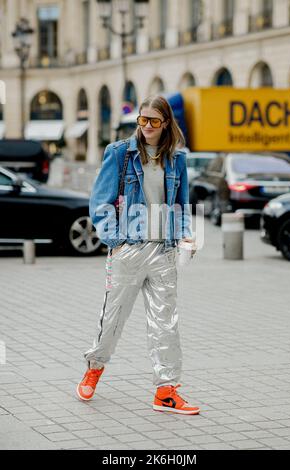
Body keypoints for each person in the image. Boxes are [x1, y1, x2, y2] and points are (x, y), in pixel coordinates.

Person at [76, 95, 200, 415]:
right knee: (113, 318)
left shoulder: (177, 158)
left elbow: (181, 203)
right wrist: (116, 241)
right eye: (142, 120)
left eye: (153, 122)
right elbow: (100, 202)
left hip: (164, 250)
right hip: (129, 247)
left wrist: (184, 232)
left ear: (166, 124)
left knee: (165, 323)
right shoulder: (119, 153)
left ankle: (166, 390)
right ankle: (95, 367)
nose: (146, 127)